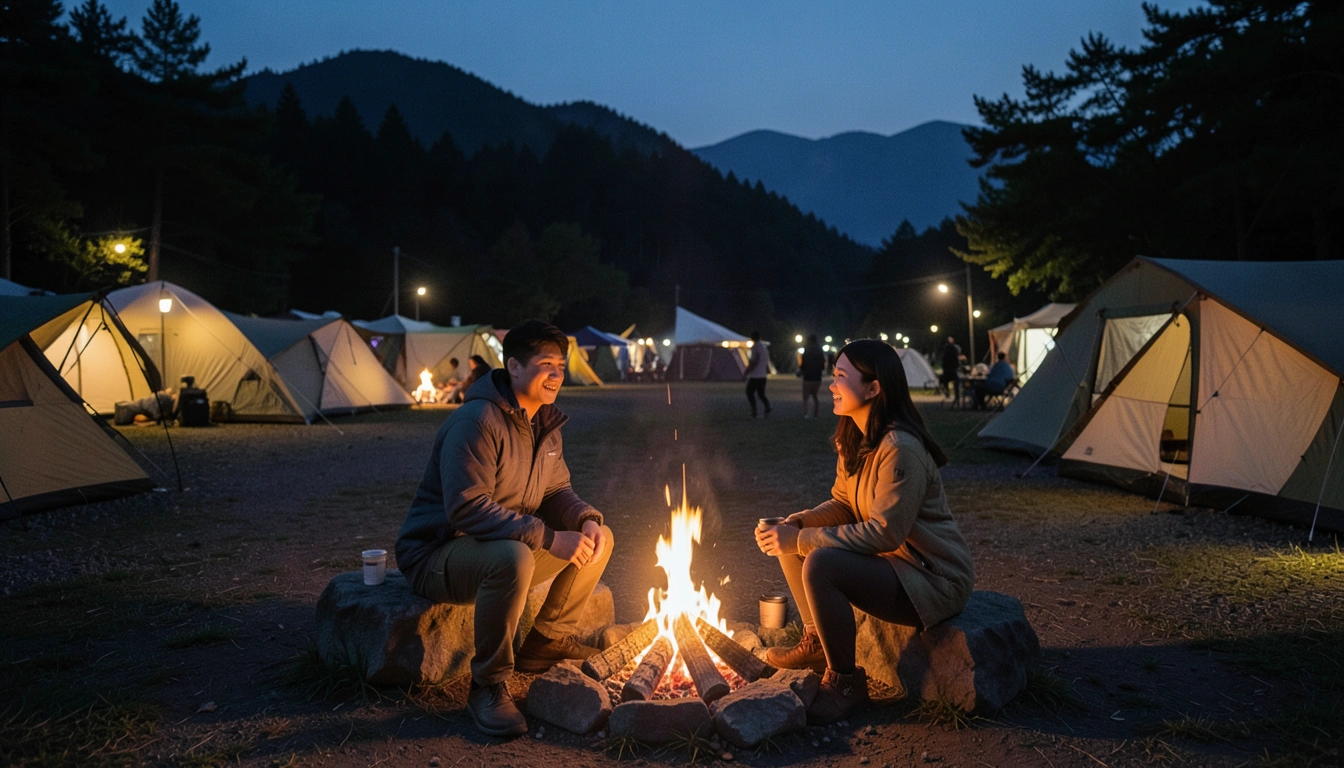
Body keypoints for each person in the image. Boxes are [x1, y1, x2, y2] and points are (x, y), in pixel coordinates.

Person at [394, 321, 615, 737]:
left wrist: (585, 518)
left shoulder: (544, 423)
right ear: (513, 366)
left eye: (561, 366)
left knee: (597, 538)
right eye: (546, 365)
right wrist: (549, 538)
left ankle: (546, 642)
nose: (556, 375)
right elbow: (466, 509)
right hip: (439, 554)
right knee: (513, 557)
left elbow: (556, 491)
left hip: (498, 547)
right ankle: (488, 684)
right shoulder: (476, 421)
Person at [754, 339, 974, 723]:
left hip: (932, 579)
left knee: (820, 562)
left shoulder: (901, 448)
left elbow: (886, 533)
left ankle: (845, 685)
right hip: (893, 566)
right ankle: (817, 642)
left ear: (873, 388)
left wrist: (803, 539)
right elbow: (843, 504)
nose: (831, 385)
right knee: (791, 536)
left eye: (841, 376)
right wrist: (798, 524)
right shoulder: (855, 438)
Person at [744, 331, 772, 418]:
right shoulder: (764, 347)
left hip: (756, 375)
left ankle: (754, 410)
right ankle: (767, 406)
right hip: (762, 375)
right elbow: (766, 361)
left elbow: (754, 361)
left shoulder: (755, 347)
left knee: (749, 392)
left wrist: (747, 372)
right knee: (761, 394)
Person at [798, 334, 826, 418]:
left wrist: (801, 371)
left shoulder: (807, 350)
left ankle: (806, 414)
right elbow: (823, 364)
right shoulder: (819, 350)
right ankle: (816, 413)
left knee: (805, 396)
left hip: (808, 375)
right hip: (817, 376)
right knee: (815, 395)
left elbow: (803, 363)